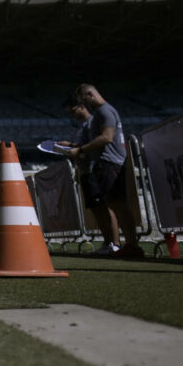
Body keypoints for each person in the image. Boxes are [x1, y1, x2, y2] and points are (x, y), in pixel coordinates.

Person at [70, 84, 142, 258]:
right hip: (108, 162)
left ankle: (131, 245)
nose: (84, 104)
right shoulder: (102, 112)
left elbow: (107, 137)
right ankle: (130, 244)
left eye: (84, 100)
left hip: (110, 162)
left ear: (90, 94)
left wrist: (81, 150)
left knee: (117, 204)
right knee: (115, 204)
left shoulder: (104, 111)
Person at [59, 96, 119, 256]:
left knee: (104, 207)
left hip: (94, 169)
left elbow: (93, 144)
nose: (72, 116)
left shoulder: (92, 123)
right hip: (85, 170)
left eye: (72, 112)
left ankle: (115, 243)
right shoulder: (82, 126)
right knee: (96, 209)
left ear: (80, 106)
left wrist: (73, 147)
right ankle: (108, 242)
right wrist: (70, 146)